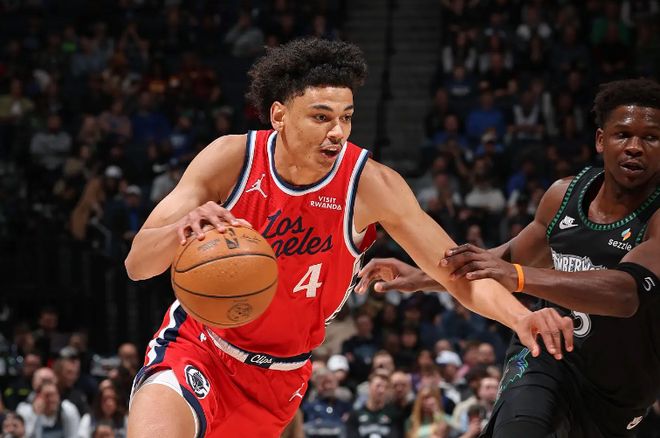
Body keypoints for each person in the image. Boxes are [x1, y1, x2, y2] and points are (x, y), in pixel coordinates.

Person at [124, 38, 572, 437]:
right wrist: (181, 230)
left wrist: (520, 317)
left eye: (346, 118)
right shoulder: (230, 159)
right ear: (279, 115)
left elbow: (454, 272)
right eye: (321, 117)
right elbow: (137, 265)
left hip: (280, 378)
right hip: (198, 346)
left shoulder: (370, 184)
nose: (337, 132)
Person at [357, 78, 660, 437]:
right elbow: (503, 259)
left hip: (618, 394)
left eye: (651, 137)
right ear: (600, 140)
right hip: (547, 356)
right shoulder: (564, 194)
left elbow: (625, 294)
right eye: (622, 135)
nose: (634, 147)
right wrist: (425, 276)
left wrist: (516, 275)